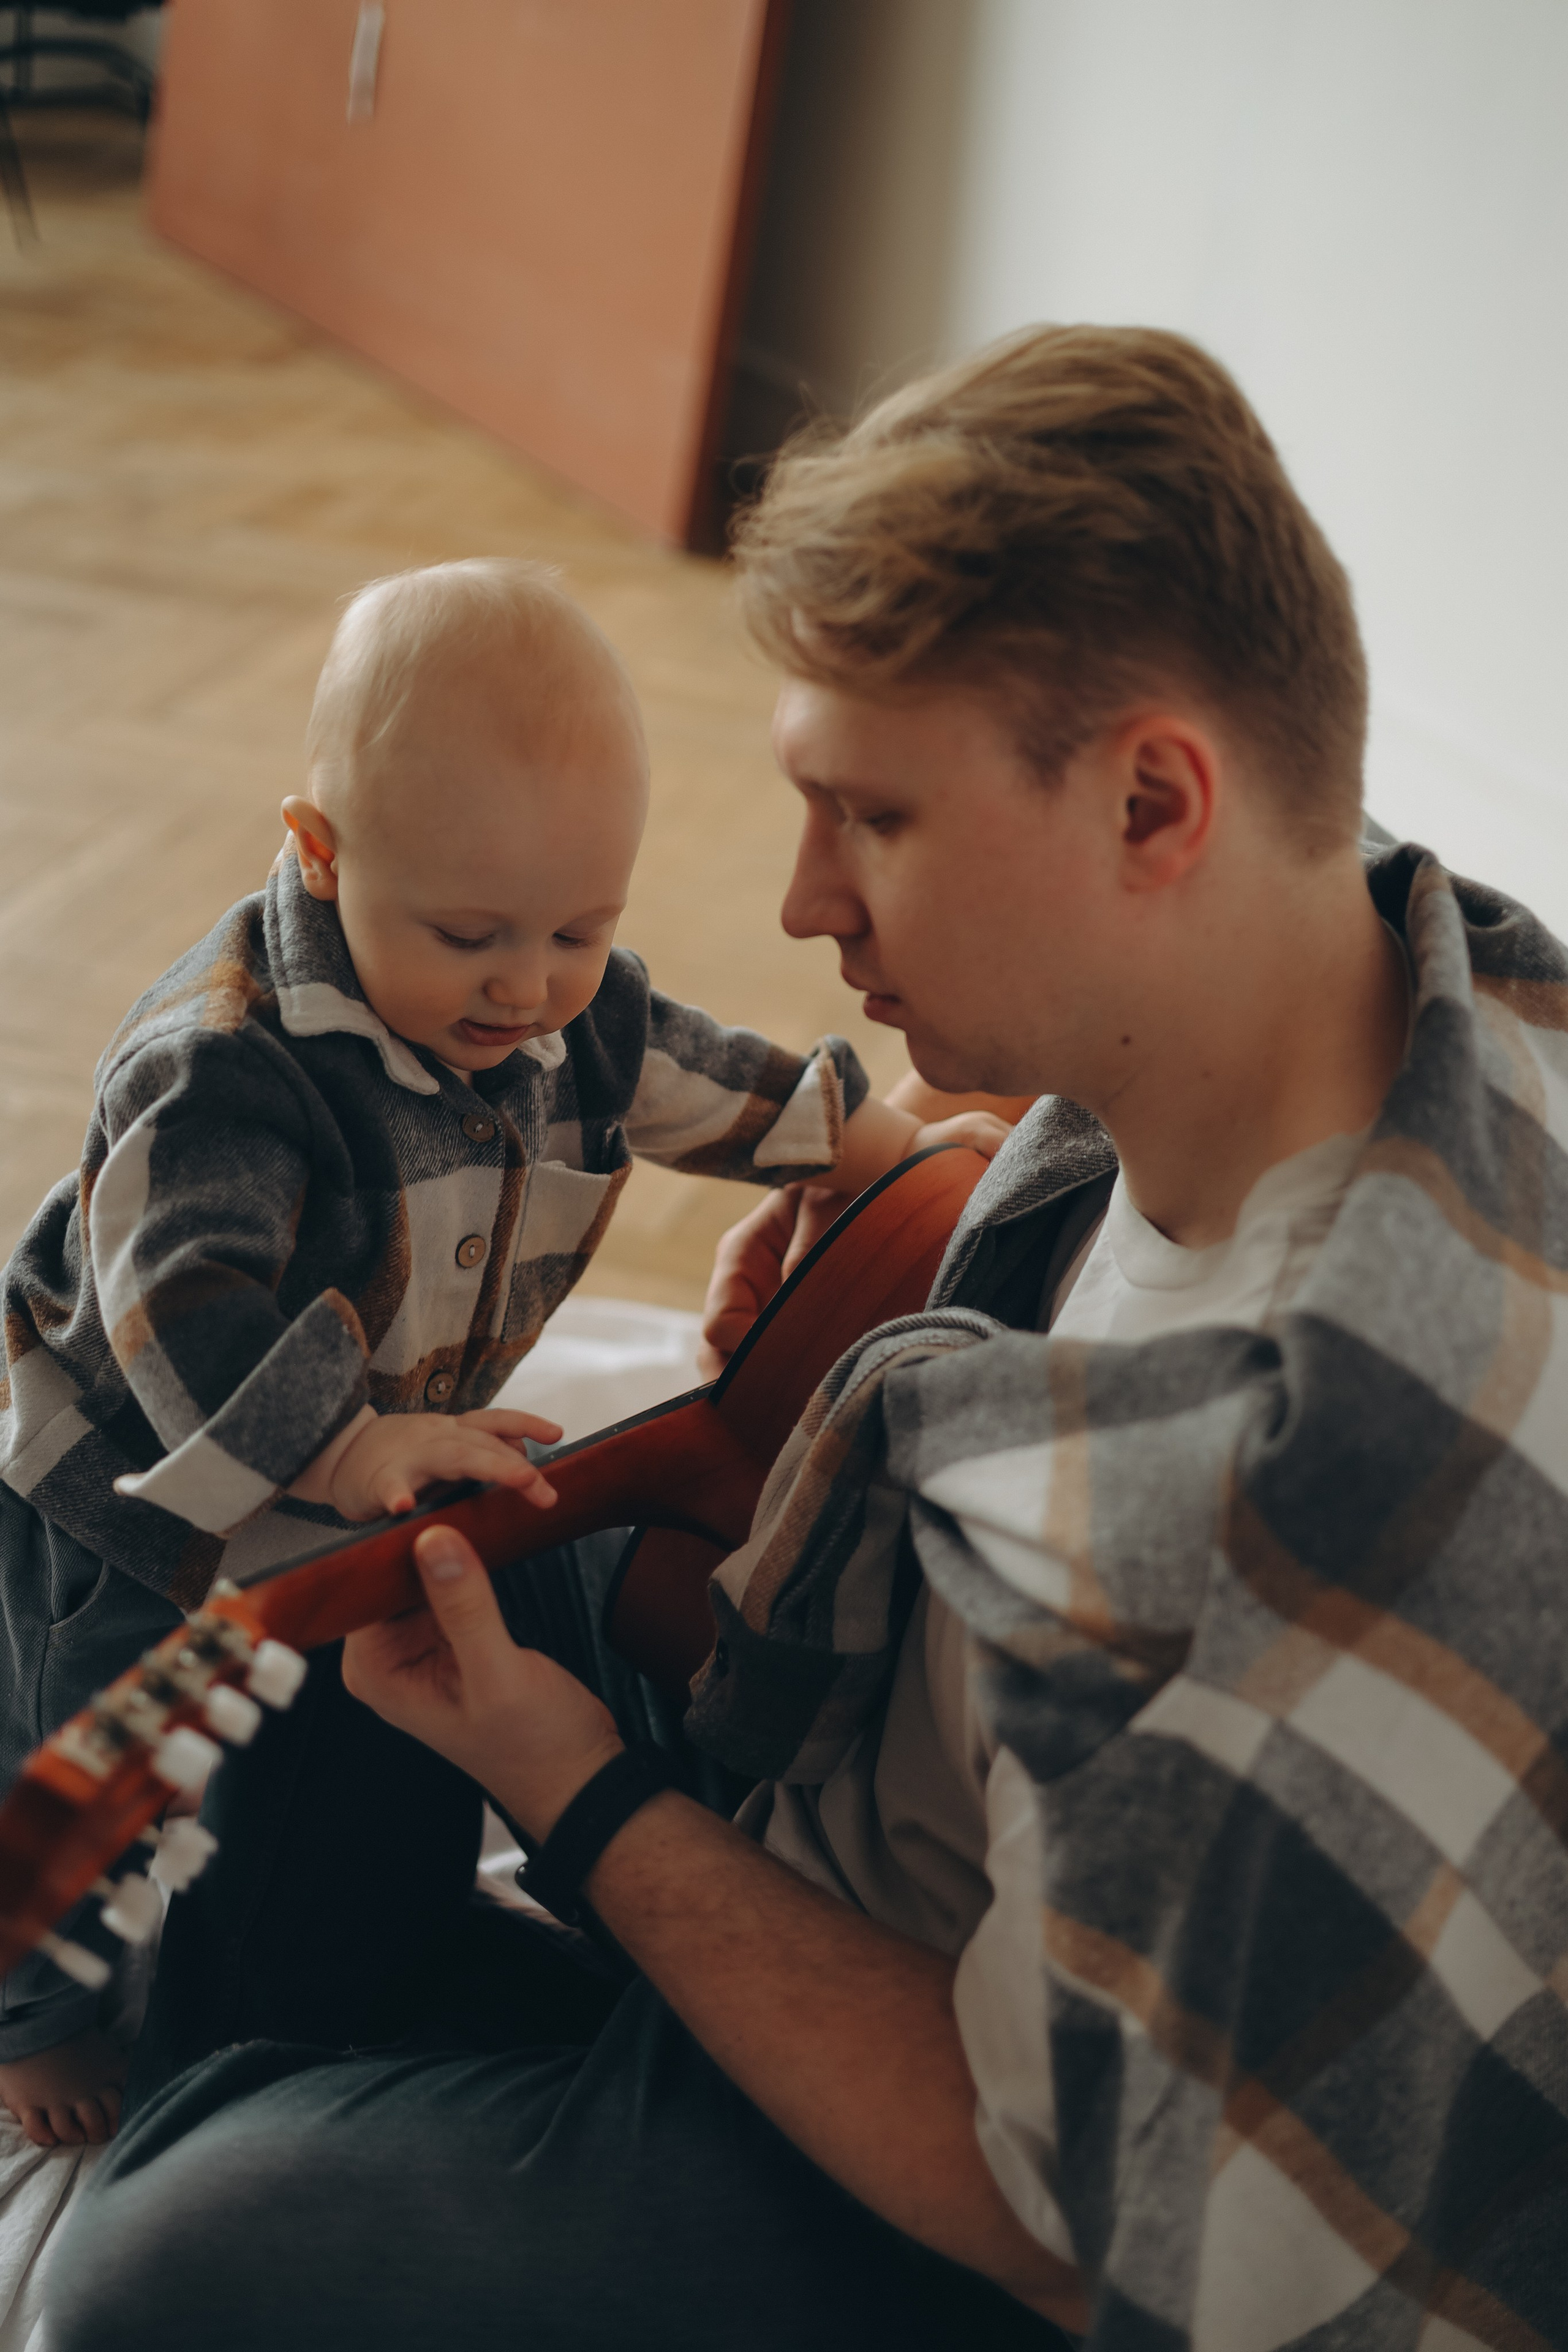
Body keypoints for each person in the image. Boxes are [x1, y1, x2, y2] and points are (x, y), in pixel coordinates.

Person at [52, 326, 1568, 2350]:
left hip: (962, 2174)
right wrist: (916, 1282)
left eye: (872, 820)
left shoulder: (1311, 1529)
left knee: (159, 2265)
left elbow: (1052, 2209)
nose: (793, 905)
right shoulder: (1408, 973)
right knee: (318, 1577)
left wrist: (581, 1797)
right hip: (873, 1767)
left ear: (1152, 799)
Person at [0, 558, 1002, 2151]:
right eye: (472, 935)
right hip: (134, 1486)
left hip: (361, 1457)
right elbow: (175, 1309)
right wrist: (341, 1451)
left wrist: (872, 1143)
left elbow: (698, 1078)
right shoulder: (226, 1072)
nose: (530, 988)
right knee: (96, 1757)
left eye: (581, 929)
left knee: (287, 1731)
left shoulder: (557, 1005)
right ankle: (31, 2009)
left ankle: (292, 1915)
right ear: (319, 855)